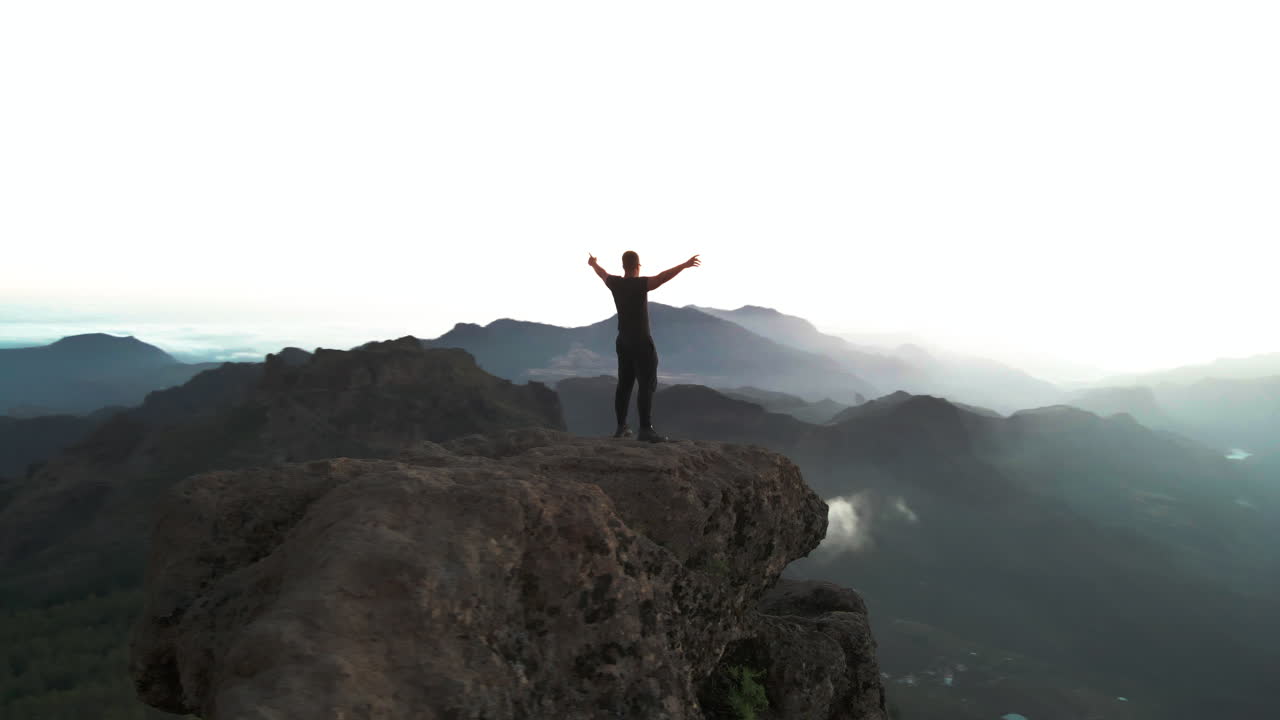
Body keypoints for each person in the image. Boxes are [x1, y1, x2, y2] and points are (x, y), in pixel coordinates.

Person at [587, 250, 701, 442]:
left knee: (624, 385)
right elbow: (662, 278)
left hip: (623, 341)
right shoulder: (639, 284)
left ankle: (621, 426)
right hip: (640, 341)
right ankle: (645, 429)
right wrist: (684, 265)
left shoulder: (615, 283)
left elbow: (602, 273)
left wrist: (593, 264)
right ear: (638, 266)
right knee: (646, 384)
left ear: (623, 266)